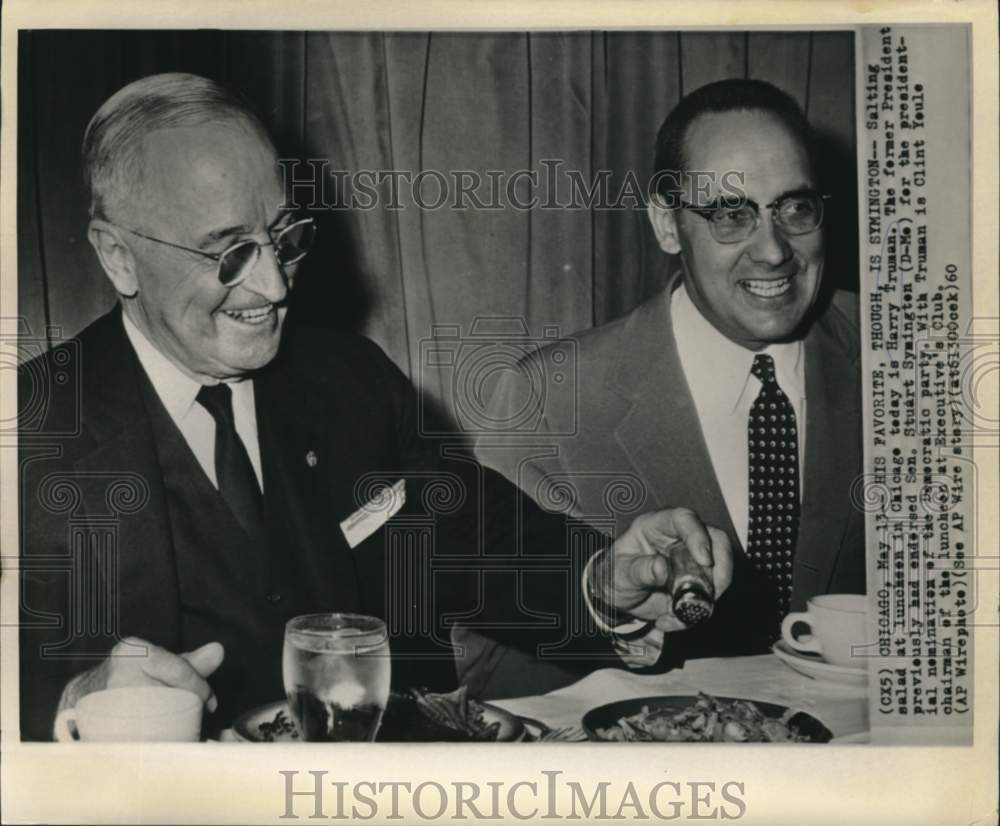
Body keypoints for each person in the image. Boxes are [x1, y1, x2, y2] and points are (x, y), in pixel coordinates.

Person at [18, 73, 733, 740]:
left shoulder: (348, 379)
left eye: (284, 238)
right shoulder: (26, 430)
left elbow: (477, 544)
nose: (273, 287)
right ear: (118, 257)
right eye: (229, 253)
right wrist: (71, 701)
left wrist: (602, 583)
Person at [474, 78, 865, 685]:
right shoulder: (548, 401)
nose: (773, 250)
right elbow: (499, 674)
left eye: (796, 208)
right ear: (665, 225)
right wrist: (619, 618)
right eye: (731, 215)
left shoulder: (904, 351)